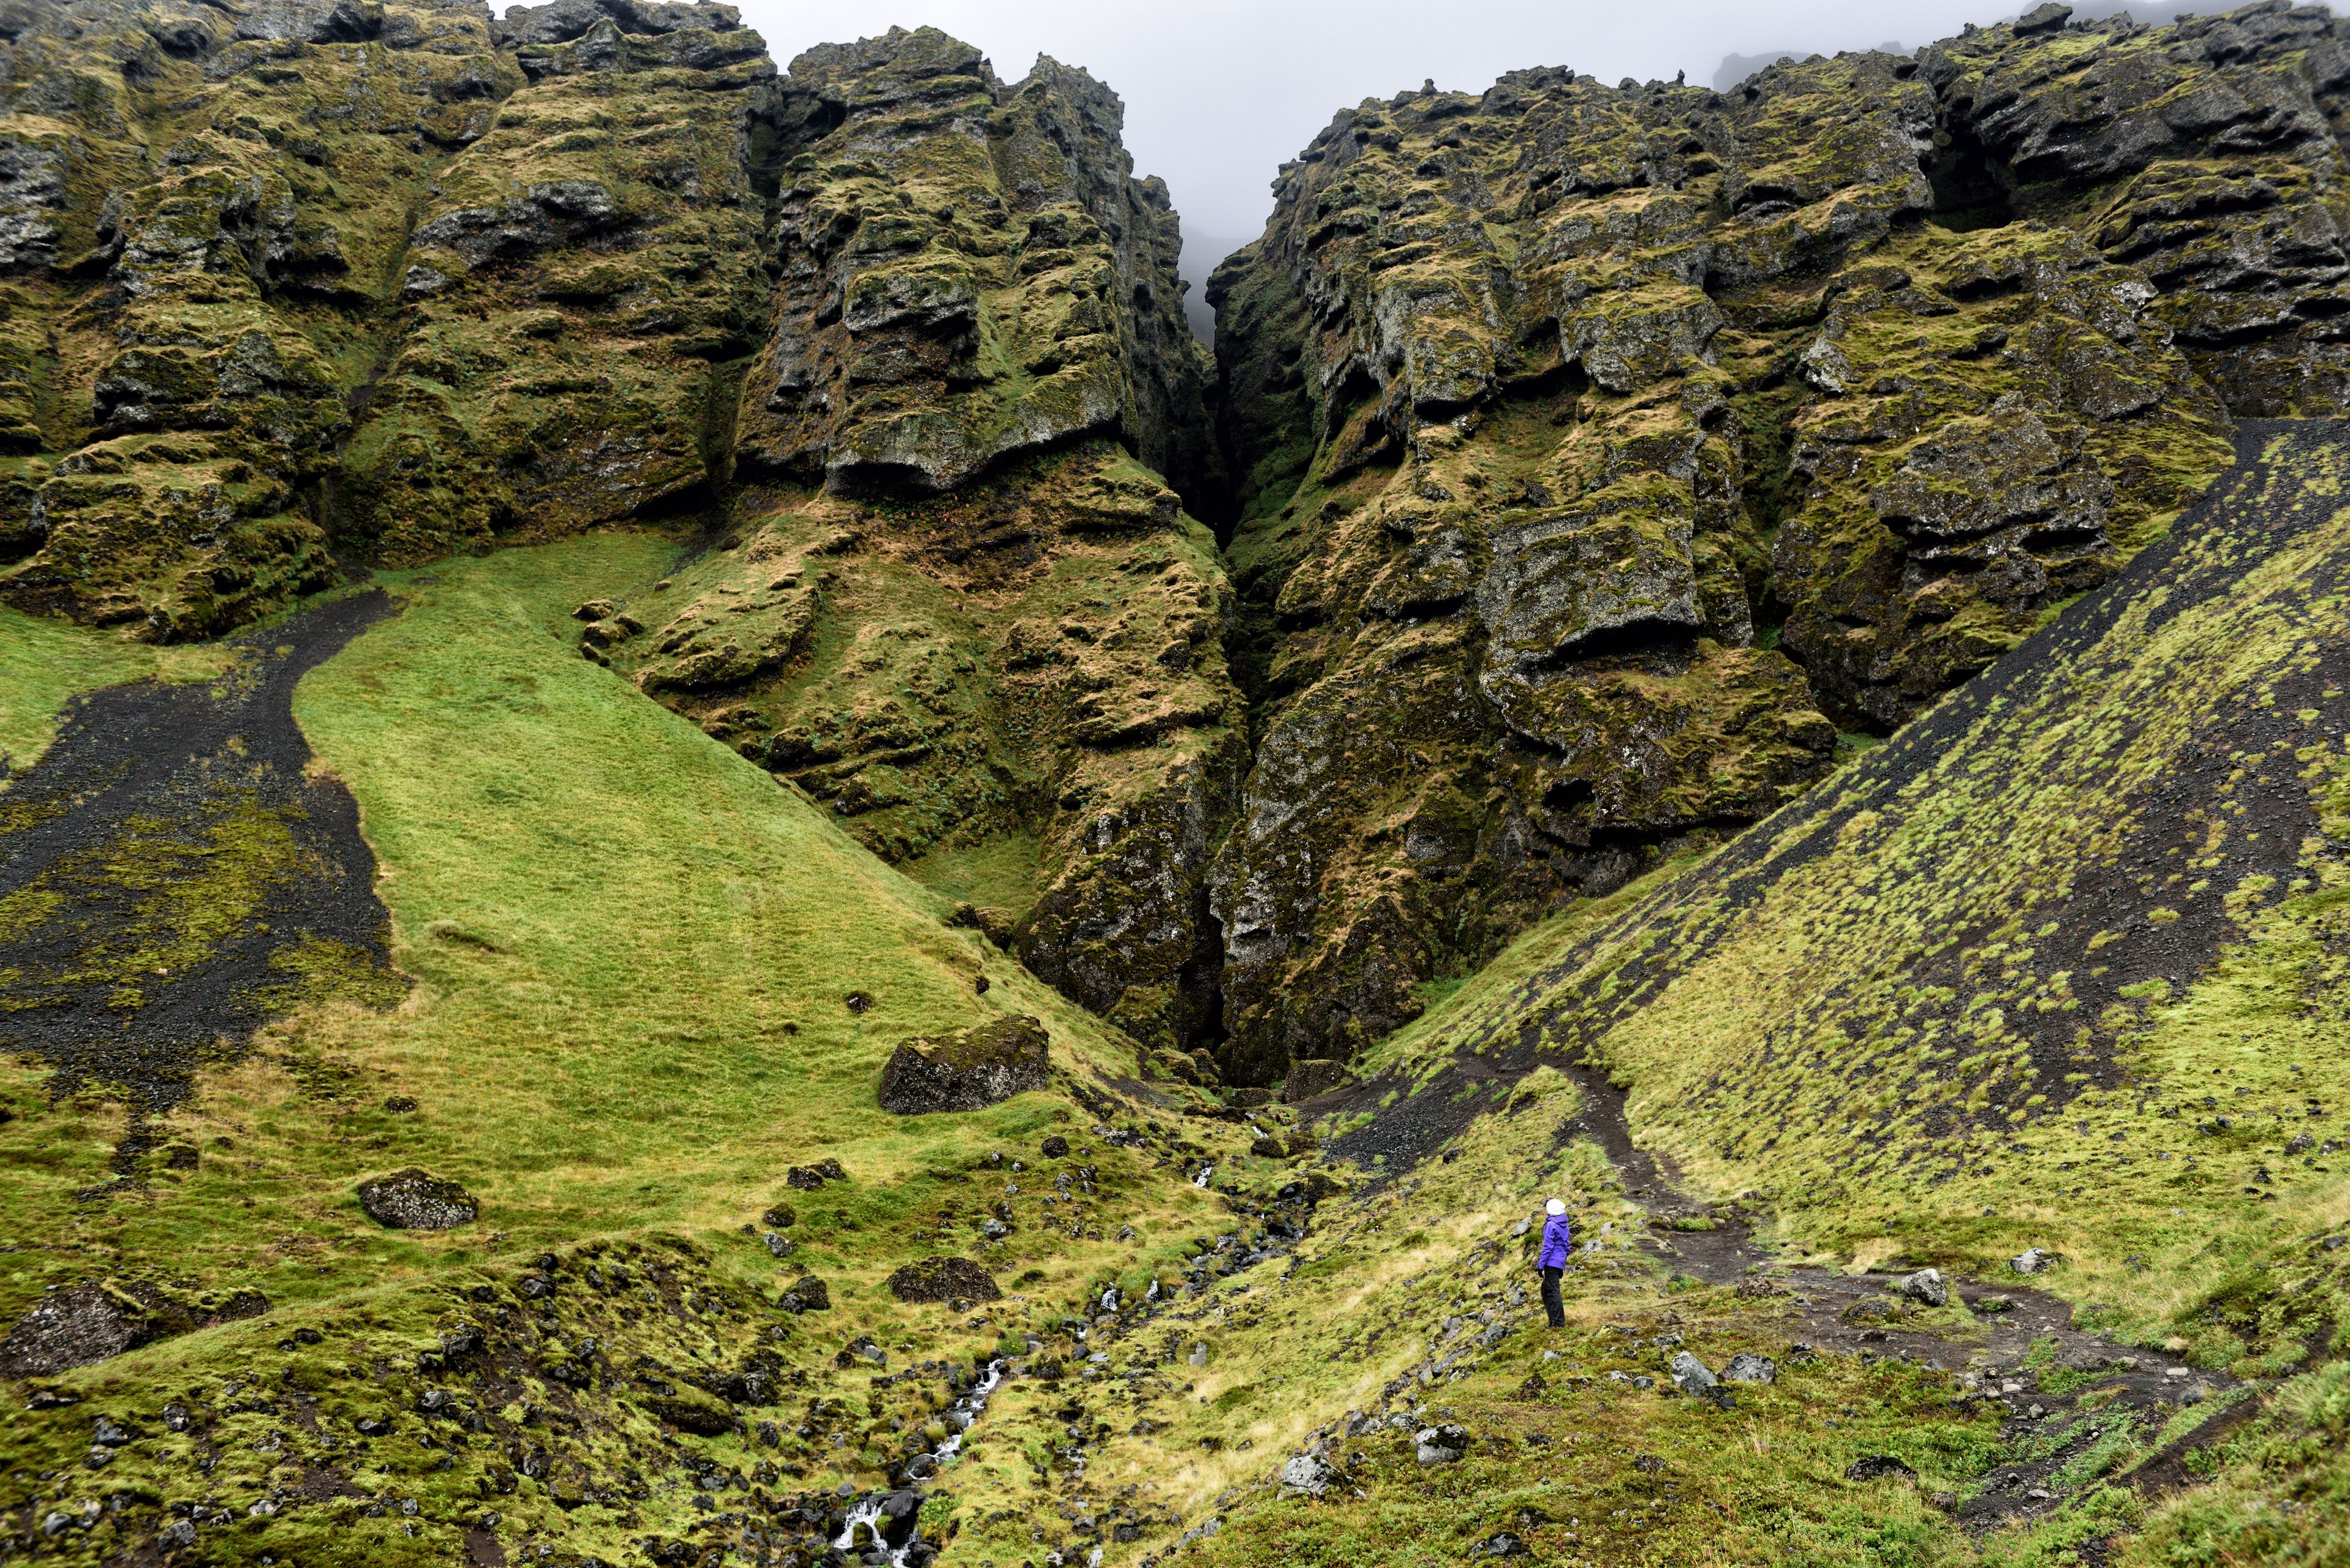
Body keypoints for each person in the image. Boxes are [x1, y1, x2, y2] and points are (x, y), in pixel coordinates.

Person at [1535, 1197, 1573, 1329]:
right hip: (1558, 1262)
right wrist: (1562, 1260)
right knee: (1546, 1290)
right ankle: (1554, 1321)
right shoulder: (1564, 1225)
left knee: (1552, 1291)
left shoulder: (1551, 1225)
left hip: (1551, 1263)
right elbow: (1567, 1246)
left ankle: (1558, 1323)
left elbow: (1547, 1247)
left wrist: (1541, 1266)